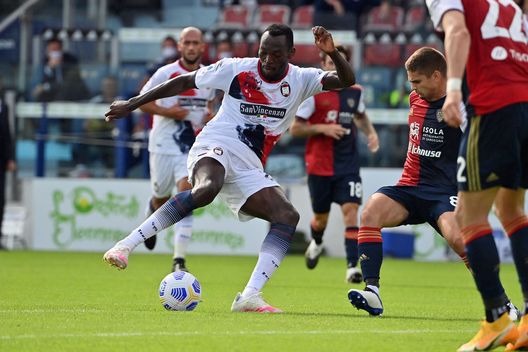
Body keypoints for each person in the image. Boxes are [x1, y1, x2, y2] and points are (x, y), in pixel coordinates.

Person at [103, 24, 355, 313]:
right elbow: (186, 80)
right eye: (263, 53)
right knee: (206, 189)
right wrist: (133, 103)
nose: (268, 60)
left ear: (291, 53)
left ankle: (249, 296)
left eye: (276, 54)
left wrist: (332, 52)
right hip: (215, 143)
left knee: (287, 215)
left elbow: (347, 80)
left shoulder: (301, 78)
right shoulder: (237, 69)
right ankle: (125, 245)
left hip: (249, 164)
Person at [346, 47, 520, 320]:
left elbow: (480, 149)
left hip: (444, 192)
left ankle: (504, 306)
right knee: (370, 213)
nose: (411, 87)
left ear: (437, 76)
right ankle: (372, 291)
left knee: (458, 239)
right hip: (410, 187)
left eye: (417, 81)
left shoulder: (461, 106)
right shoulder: (416, 98)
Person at [426, 1, 528, 351]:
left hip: (493, 107)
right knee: (511, 211)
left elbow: (457, 30)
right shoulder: (507, 4)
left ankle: (497, 317)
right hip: (524, 106)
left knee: (469, 216)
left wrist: (453, 90)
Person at [289, 45, 379, 283]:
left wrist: (371, 133)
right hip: (319, 166)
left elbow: (360, 115)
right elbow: (295, 128)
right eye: (329, 62)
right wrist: (323, 128)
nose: (334, 67)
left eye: (338, 62)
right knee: (321, 219)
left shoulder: (355, 92)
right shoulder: (314, 94)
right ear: (323, 65)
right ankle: (317, 241)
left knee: (351, 212)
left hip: (347, 165)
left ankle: (352, 267)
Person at [138, 27, 215, 273]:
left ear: (203, 47)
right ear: (180, 46)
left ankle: (179, 259)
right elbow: (142, 101)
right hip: (162, 144)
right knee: (161, 195)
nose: (192, 47)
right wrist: (168, 112)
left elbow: (209, 105)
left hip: (190, 147)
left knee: (187, 195)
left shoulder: (209, 75)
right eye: (187, 43)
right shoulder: (166, 73)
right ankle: (153, 207)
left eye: (196, 43)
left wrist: (209, 116)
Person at [32, 37, 89, 102]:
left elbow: (64, 84)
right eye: (52, 50)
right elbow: (37, 85)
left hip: (70, 99)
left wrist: (46, 87)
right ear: (48, 51)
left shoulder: (70, 61)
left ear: (61, 50)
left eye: (57, 49)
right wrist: (50, 68)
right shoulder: (44, 63)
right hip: (50, 99)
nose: (55, 53)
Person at [0, 87, 16, 250]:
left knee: (0, 201)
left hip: (1, 161)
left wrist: (10, 157)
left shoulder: (3, 106)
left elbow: (7, 134)